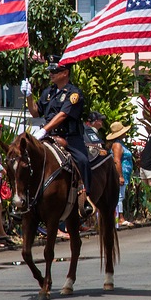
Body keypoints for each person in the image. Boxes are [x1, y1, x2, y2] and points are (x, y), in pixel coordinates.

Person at [21, 55, 92, 218]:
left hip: (70, 137)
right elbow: (35, 112)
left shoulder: (74, 93)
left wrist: (44, 130)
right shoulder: (48, 92)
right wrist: (29, 95)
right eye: (51, 71)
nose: (51, 74)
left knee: (82, 161)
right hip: (50, 136)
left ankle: (85, 196)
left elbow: (62, 115)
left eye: (55, 71)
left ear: (65, 73)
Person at [106, 121, 134, 228]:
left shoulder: (119, 143)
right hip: (120, 174)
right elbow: (117, 160)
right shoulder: (117, 145)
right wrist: (120, 176)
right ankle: (120, 218)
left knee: (120, 195)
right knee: (119, 196)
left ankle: (119, 217)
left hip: (125, 174)